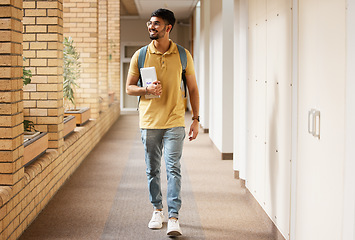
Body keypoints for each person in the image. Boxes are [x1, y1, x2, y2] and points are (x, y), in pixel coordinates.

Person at [126, 8, 200, 237]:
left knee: (174, 168)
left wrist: (196, 119)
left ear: (168, 28)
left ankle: (174, 216)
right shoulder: (140, 55)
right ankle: (157, 210)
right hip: (149, 121)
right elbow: (129, 88)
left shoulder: (183, 54)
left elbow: (193, 89)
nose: (151, 27)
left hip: (175, 120)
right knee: (152, 169)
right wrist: (145, 89)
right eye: (150, 23)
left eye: (156, 24)